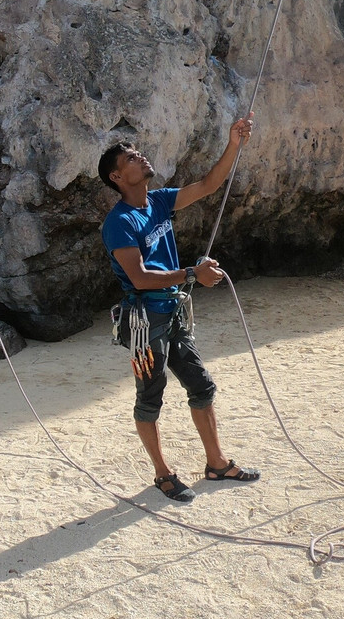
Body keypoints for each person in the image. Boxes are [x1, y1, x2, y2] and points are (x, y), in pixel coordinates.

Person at [98, 115, 260, 502]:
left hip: (171, 313)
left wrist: (234, 143)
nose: (140, 159)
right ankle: (162, 473)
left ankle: (216, 463)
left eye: (138, 153)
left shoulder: (158, 201)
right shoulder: (119, 222)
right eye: (131, 159)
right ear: (118, 178)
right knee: (150, 396)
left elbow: (207, 186)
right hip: (146, 321)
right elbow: (137, 278)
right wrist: (192, 273)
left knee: (201, 385)